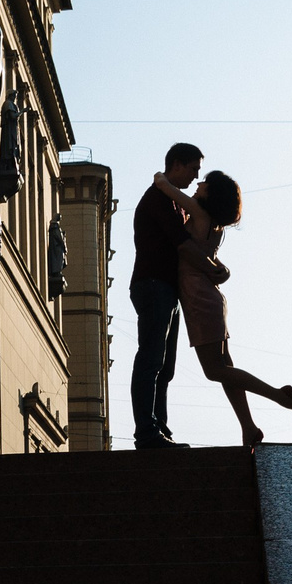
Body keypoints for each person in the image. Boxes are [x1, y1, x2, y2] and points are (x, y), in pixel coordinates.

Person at [150, 168, 292, 448]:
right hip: (210, 298)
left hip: (199, 299)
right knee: (225, 367)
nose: (198, 183)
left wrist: (161, 178)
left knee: (214, 371)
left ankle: (280, 396)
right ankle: (249, 427)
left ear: (211, 193)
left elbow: (167, 189)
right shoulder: (215, 226)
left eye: (204, 183)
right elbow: (212, 261)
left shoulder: (199, 213)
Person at [128, 142, 202, 448]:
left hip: (165, 288)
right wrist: (213, 269)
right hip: (153, 284)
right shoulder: (159, 197)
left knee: (164, 365)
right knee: (152, 359)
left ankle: (158, 428)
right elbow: (182, 243)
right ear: (177, 164)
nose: (196, 177)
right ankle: (147, 432)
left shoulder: (170, 198)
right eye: (193, 169)